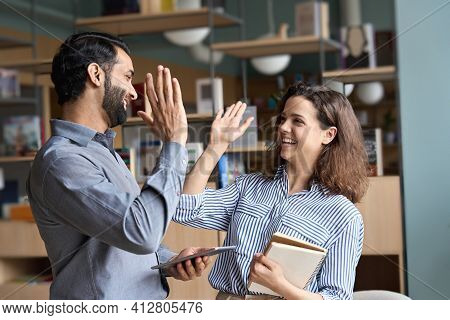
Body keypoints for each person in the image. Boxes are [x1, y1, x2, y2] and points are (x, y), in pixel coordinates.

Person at [27, 32, 210, 300]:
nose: (133, 91)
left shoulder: (103, 151)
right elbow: (141, 232)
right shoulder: (62, 162)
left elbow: (124, 230)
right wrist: (175, 141)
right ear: (96, 74)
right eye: (127, 77)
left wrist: (168, 261)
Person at [173, 82, 369, 300]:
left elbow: (337, 302)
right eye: (283, 119)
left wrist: (281, 286)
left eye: (298, 121)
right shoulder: (249, 187)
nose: (283, 127)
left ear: (328, 135)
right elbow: (184, 209)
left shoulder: (343, 216)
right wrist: (216, 147)